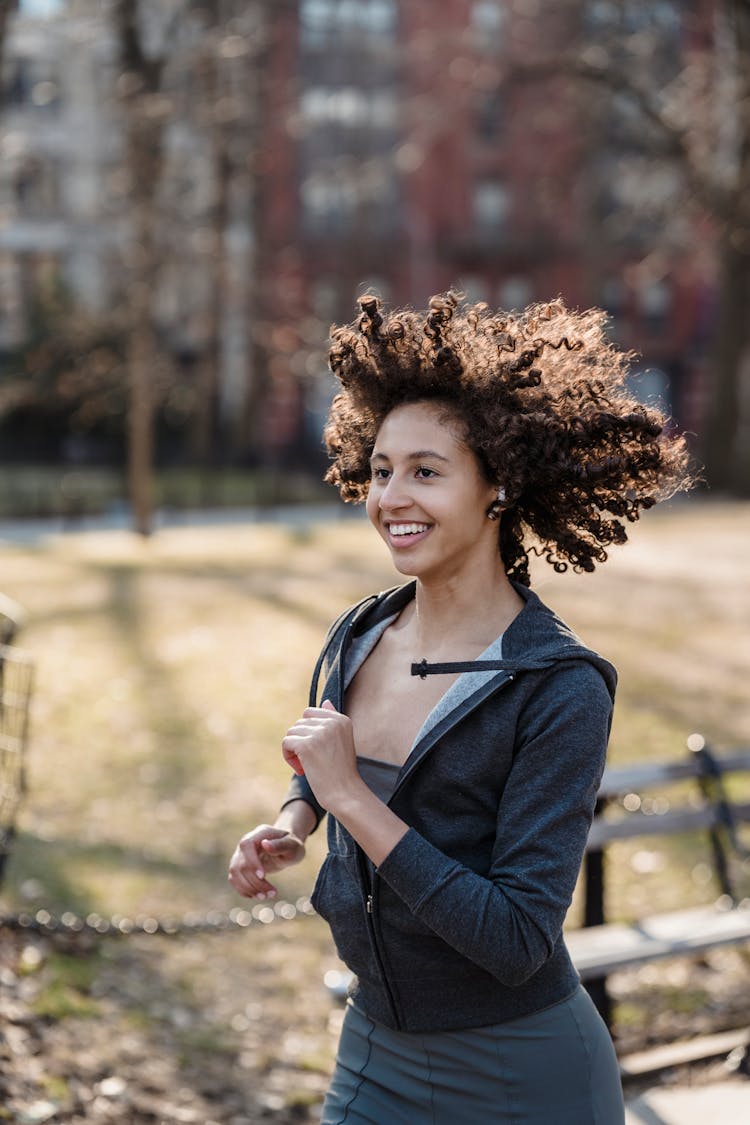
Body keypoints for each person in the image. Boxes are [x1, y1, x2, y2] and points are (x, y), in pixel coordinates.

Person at [228, 292, 691, 1124]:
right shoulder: (359, 632)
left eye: (426, 471)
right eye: (380, 470)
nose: (390, 497)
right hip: (373, 1048)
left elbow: (517, 938)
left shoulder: (558, 686)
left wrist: (349, 803)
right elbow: (326, 756)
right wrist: (293, 822)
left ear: (499, 486)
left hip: (524, 1072)